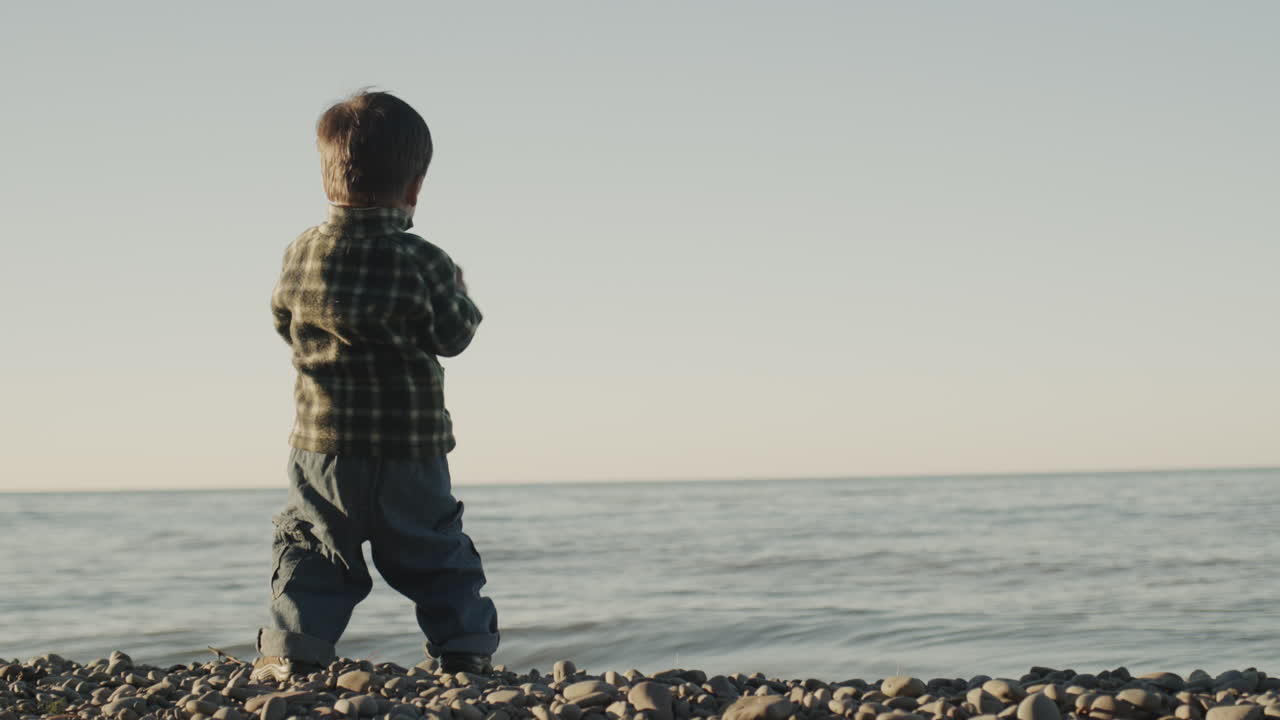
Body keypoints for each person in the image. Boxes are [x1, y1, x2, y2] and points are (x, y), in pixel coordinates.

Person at [251, 89, 499, 684]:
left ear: (326, 173)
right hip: (411, 447)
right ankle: (463, 650)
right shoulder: (425, 261)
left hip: (322, 443)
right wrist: (459, 288)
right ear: (414, 186)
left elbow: (284, 322)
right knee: (432, 547)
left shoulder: (302, 252)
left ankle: (294, 652)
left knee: (314, 545)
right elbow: (455, 335)